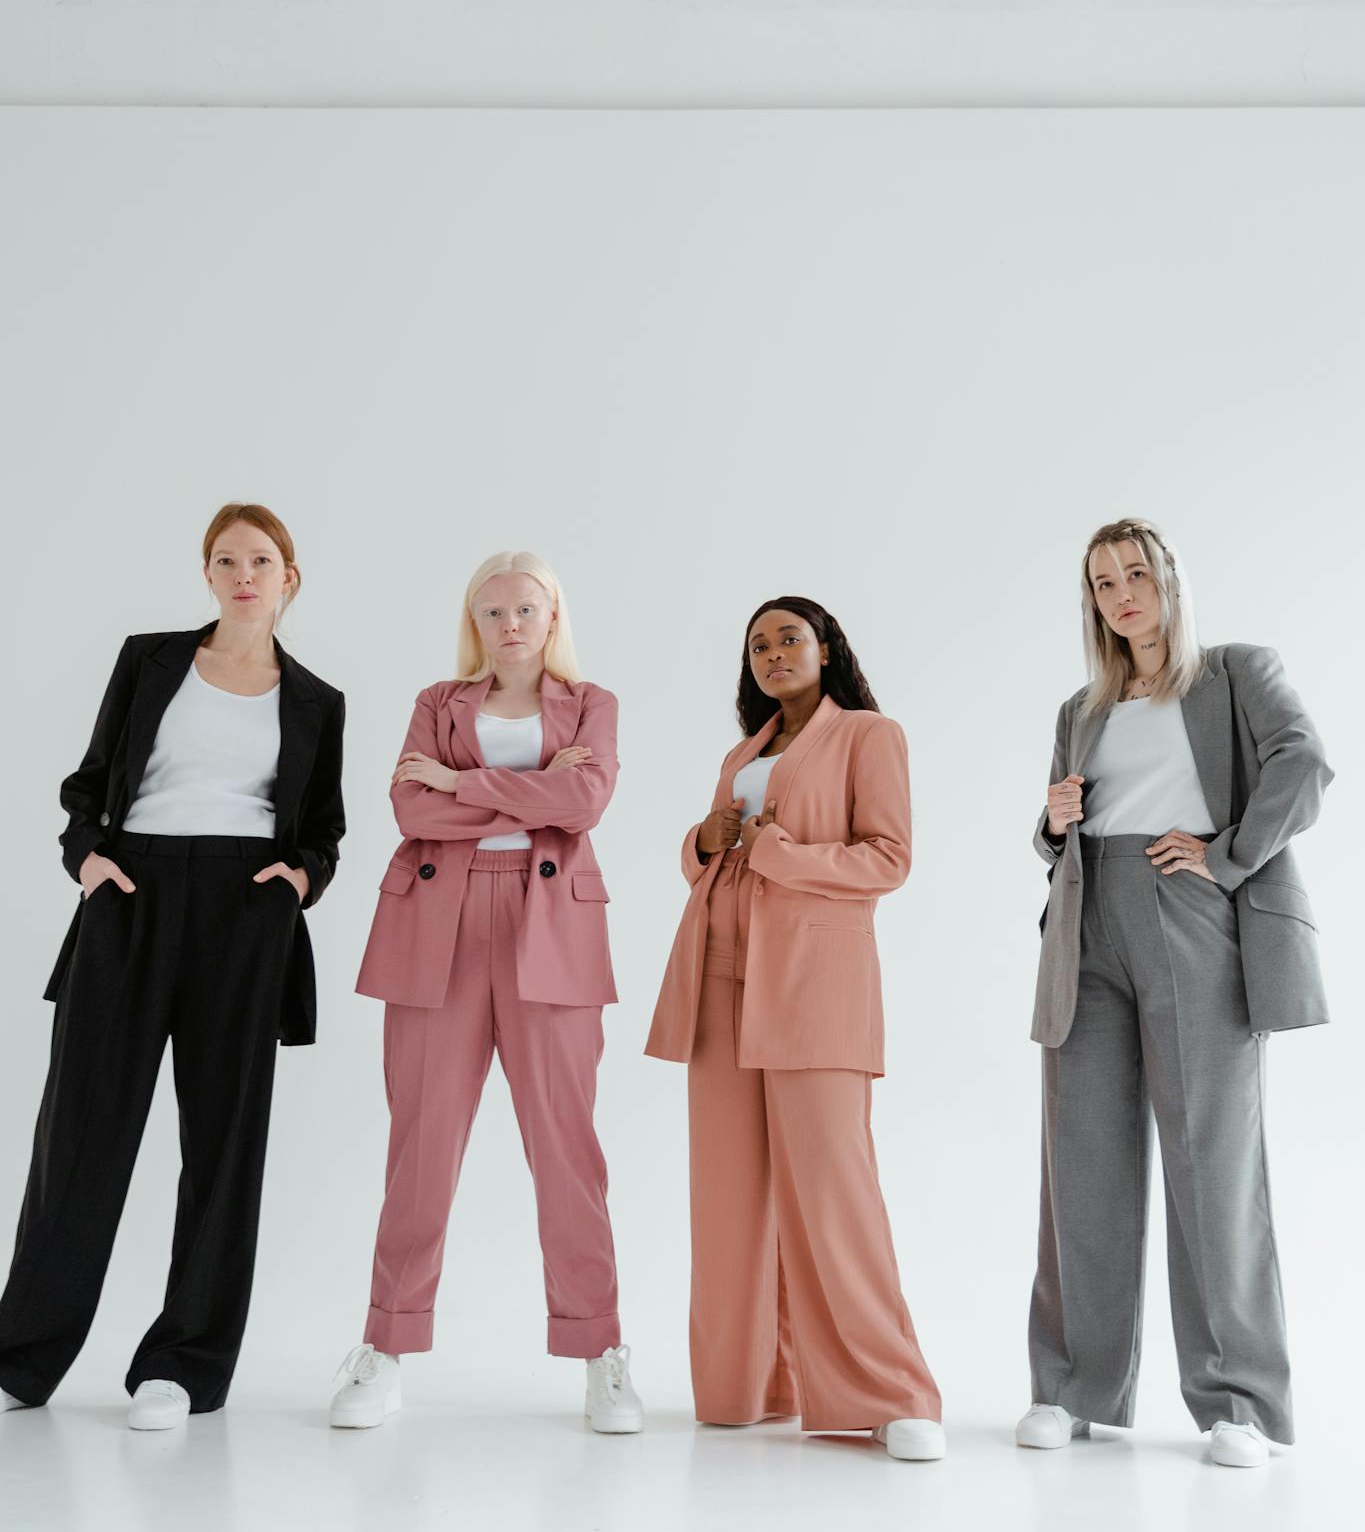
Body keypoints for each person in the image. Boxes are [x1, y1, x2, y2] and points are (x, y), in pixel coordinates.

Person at [0, 503, 345, 1430]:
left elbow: (323, 830)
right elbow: (88, 782)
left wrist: (297, 883)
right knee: (79, 1131)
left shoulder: (316, 702)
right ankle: (22, 1358)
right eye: (225, 559)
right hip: (131, 893)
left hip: (245, 907)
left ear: (289, 578)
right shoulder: (148, 660)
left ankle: (184, 1365)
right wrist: (87, 859)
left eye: (261, 560)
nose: (243, 574)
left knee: (224, 1144)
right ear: (207, 574)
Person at [1021, 518, 1331, 1468]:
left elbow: (1303, 763)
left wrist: (1226, 855)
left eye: (1135, 575)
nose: (1121, 595)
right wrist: (1050, 818)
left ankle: (1238, 1402)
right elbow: (1058, 833)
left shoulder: (1236, 670)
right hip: (1088, 922)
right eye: (1102, 582)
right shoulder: (1083, 706)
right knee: (1080, 1161)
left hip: (1192, 911)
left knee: (1210, 1158)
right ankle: (1072, 1390)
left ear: (1168, 581)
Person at [332, 552, 641, 1435]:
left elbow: (584, 802)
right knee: (420, 1145)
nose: (511, 624)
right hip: (438, 924)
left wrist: (461, 783)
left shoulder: (591, 705)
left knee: (566, 1148)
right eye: (494, 609)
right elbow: (409, 814)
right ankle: (384, 1348)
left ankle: (599, 1352)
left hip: (552, 927)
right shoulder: (438, 702)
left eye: (527, 609)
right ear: (475, 619)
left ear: (553, 617)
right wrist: (529, 795)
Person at [646, 596, 943, 1461]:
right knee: (728, 1192)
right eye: (759, 645)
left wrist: (778, 855)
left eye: (788, 638)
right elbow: (711, 855)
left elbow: (887, 858)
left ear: (825, 650)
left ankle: (891, 1394)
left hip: (815, 984)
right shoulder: (743, 751)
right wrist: (701, 841)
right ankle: (751, 1386)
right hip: (718, 976)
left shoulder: (867, 735)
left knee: (832, 1187)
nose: (773, 653)